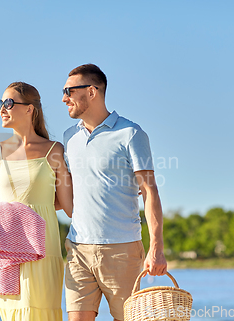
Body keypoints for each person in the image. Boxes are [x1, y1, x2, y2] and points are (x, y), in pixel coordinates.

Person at [61, 64, 167, 321]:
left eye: (69, 91)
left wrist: (156, 247)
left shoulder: (130, 133)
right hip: (78, 249)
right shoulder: (69, 138)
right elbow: (69, 192)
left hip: (121, 250)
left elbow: (149, 191)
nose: (64, 98)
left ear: (92, 91)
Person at [0, 81, 73, 321]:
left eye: (9, 103)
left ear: (30, 109)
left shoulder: (54, 150)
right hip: (8, 251)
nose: (3, 108)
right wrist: (19, 214)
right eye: (1, 103)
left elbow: (68, 205)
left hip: (45, 249)